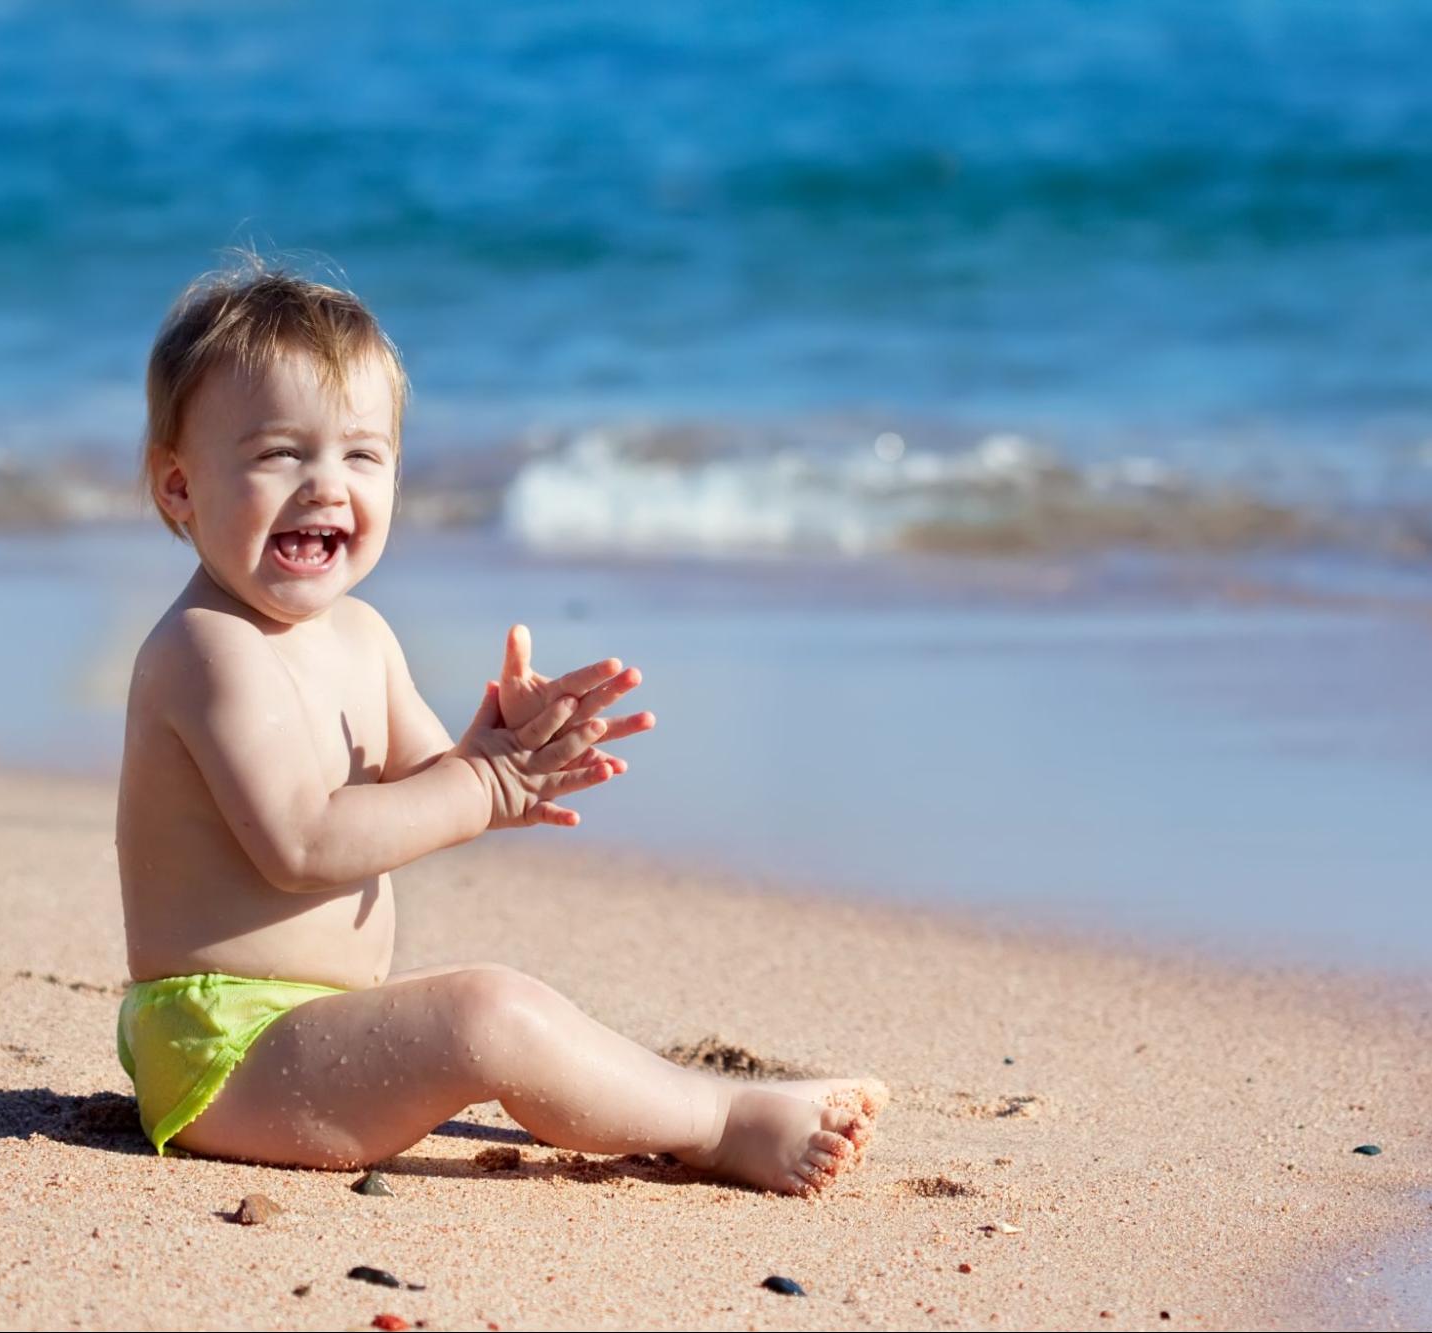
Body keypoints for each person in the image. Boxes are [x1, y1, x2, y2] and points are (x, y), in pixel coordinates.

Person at [113, 262, 881, 1194]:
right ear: (179, 486)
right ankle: (716, 1121)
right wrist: (476, 787)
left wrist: (505, 762)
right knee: (489, 1011)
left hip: (311, 1031)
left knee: (508, 1011)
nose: (325, 485)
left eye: (361, 454)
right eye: (280, 452)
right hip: (226, 1054)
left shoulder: (361, 635)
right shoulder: (209, 648)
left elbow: (429, 779)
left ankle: (684, 1097)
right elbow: (300, 842)